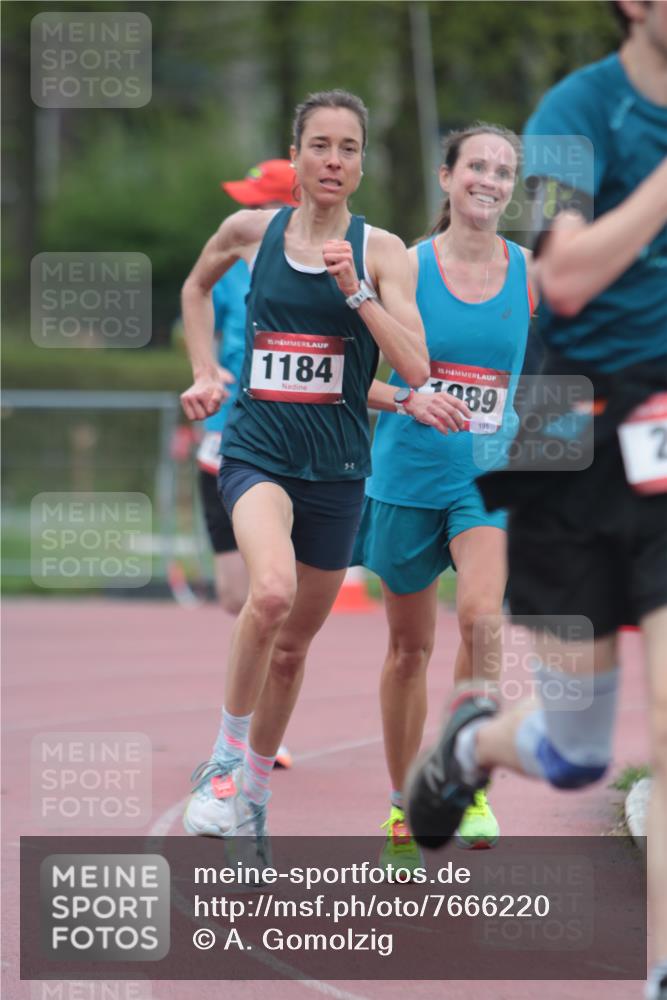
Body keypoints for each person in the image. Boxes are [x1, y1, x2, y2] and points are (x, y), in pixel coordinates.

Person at [405, 4, 667, 998]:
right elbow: (560, 278)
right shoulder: (574, 115)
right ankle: (471, 742)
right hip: (570, 430)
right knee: (574, 753)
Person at [179, 89, 430, 855]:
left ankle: (252, 798)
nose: (332, 159)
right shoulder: (249, 233)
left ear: (361, 165)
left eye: (347, 148)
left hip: (338, 471)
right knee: (270, 593)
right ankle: (223, 767)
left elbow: (416, 369)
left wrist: (356, 291)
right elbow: (194, 287)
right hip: (256, 452)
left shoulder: (383, 251)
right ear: (294, 157)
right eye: (319, 144)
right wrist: (205, 371)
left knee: (292, 650)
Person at [352, 123, 535, 873]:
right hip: (406, 476)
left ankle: (466, 779)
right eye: (476, 166)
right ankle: (404, 801)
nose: (489, 180)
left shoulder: (529, 272)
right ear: (446, 177)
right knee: (408, 650)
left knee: (481, 617)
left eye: (503, 171)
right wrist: (407, 399)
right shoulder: (404, 265)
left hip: (488, 476)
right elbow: (352, 379)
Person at [195, 159, 298, 770]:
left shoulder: (314, 263)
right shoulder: (232, 256)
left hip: (281, 449)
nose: (247, 212)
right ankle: (245, 710)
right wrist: (204, 369)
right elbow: (195, 303)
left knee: (271, 592)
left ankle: (256, 727)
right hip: (220, 442)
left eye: (260, 202)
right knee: (237, 595)